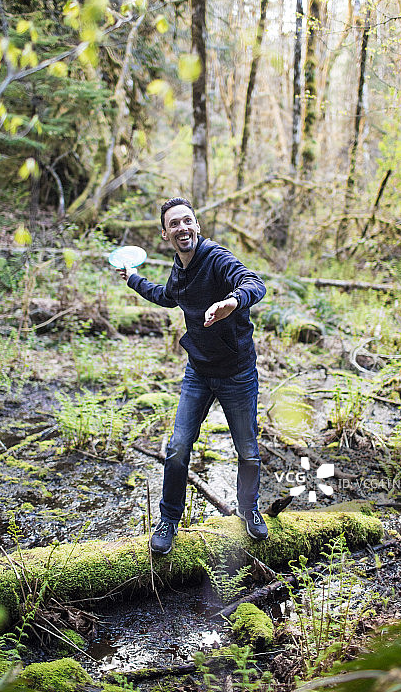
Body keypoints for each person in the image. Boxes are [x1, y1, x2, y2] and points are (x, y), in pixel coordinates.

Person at [116, 197, 268, 554]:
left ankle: (249, 508)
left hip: (236, 374)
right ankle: (169, 519)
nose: (182, 228)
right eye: (175, 224)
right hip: (198, 372)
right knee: (177, 447)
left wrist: (232, 302)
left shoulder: (216, 258)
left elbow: (253, 282)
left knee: (247, 451)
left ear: (196, 226)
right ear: (165, 234)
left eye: (188, 221)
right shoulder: (179, 267)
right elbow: (169, 296)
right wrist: (134, 280)